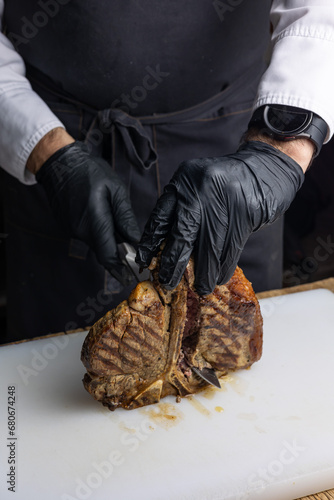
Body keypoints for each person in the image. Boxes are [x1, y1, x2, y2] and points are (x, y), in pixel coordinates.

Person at [0, 0, 333, 342]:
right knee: (47, 371)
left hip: (236, 155)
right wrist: (46, 150)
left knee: (234, 348)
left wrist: (281, 149)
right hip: (54, 142)